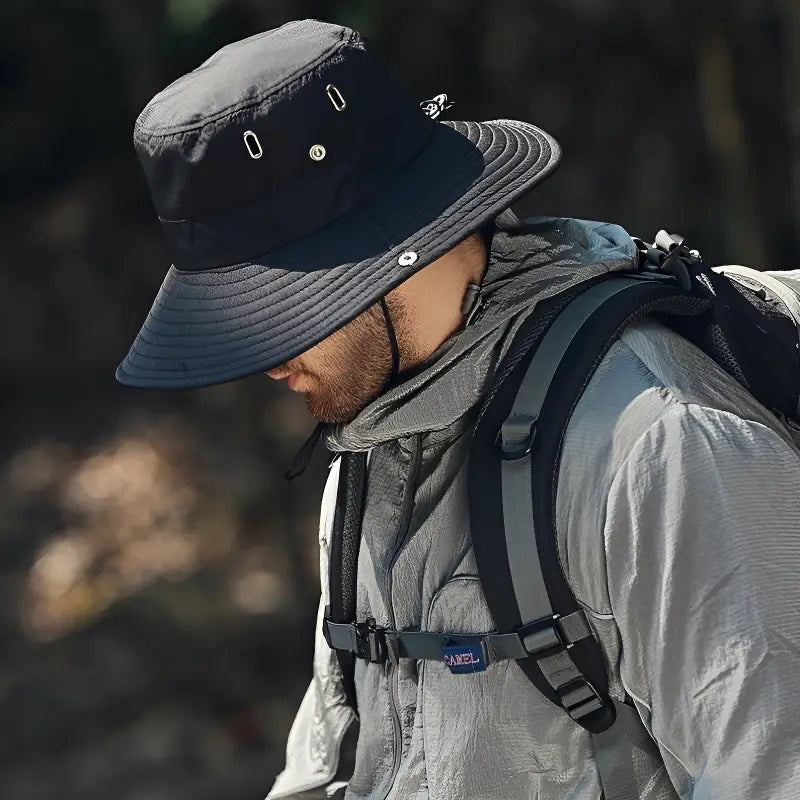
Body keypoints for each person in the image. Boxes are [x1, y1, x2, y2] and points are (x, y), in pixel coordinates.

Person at [117, 18, 800, 800]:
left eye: (285, 311)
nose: (270, 358)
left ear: (386, 250)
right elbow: (334, 764)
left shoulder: (659, 447)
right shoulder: (370, 446)